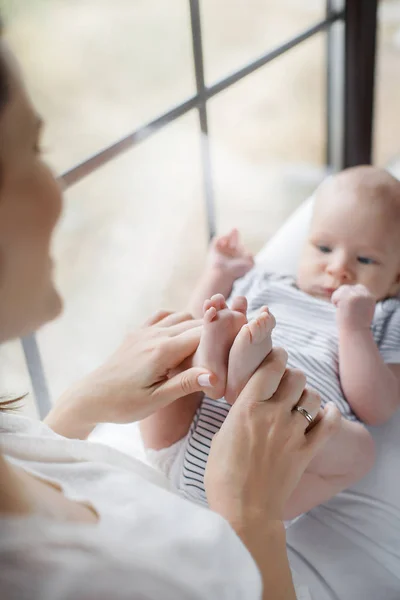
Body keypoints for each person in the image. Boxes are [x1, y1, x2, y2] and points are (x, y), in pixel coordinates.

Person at [0, 30, 340, 600]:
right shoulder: (83, 582)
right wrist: (252, 519)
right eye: (33, 151)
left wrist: (77, 409)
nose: (55, 187)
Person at [140, 166, 400, 516]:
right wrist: (217, 273)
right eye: (324, 247)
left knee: (360, 449)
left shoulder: (381, 316)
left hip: (276, 470)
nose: (338, 268)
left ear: (396, 278)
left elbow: (378, 407)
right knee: (183, 342)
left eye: (365, 259)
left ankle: (252, 381)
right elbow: (192, 317)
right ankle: (238, 374)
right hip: (183, 438)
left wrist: (355, 328)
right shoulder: (265, 282)